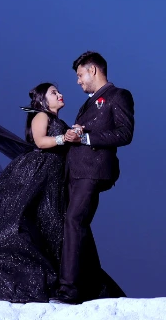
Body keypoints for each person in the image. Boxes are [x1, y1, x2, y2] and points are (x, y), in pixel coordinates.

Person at [0, 82, 123, 303]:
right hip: (38, 174)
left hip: (55, 178)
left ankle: (65, 280)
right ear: (42, 100)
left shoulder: (58, 121)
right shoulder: (41, 115)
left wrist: (74, 134)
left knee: (53, 226)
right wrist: (64, 138)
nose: (60, 94)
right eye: (54, 92)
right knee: (21, 222)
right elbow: (40, 141)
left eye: (58, 91)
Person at [53, 51, 133, 304]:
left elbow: (125, 133)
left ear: (93, 70)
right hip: (75, 170)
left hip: (93, 170)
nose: (78, 81)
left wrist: (86, 137)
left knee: (74, 221)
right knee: (77, 226)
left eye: (80, 75)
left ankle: (69, 290)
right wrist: (76, 133)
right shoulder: (88, 102)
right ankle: (95, 288)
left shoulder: (118, 95)